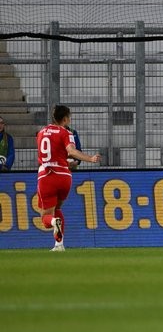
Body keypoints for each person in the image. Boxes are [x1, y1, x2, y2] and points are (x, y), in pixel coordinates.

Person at [36, 105, 101, 251]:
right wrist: (90, 158)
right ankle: (59, 244)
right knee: (58, 207)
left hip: (47, 175)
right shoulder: (66, 132)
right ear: (65, 118)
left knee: (46, 218)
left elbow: (48, 154)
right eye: (69, 117)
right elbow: (70, 151)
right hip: (64, 176)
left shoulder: (41, 132)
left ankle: (54, 222)